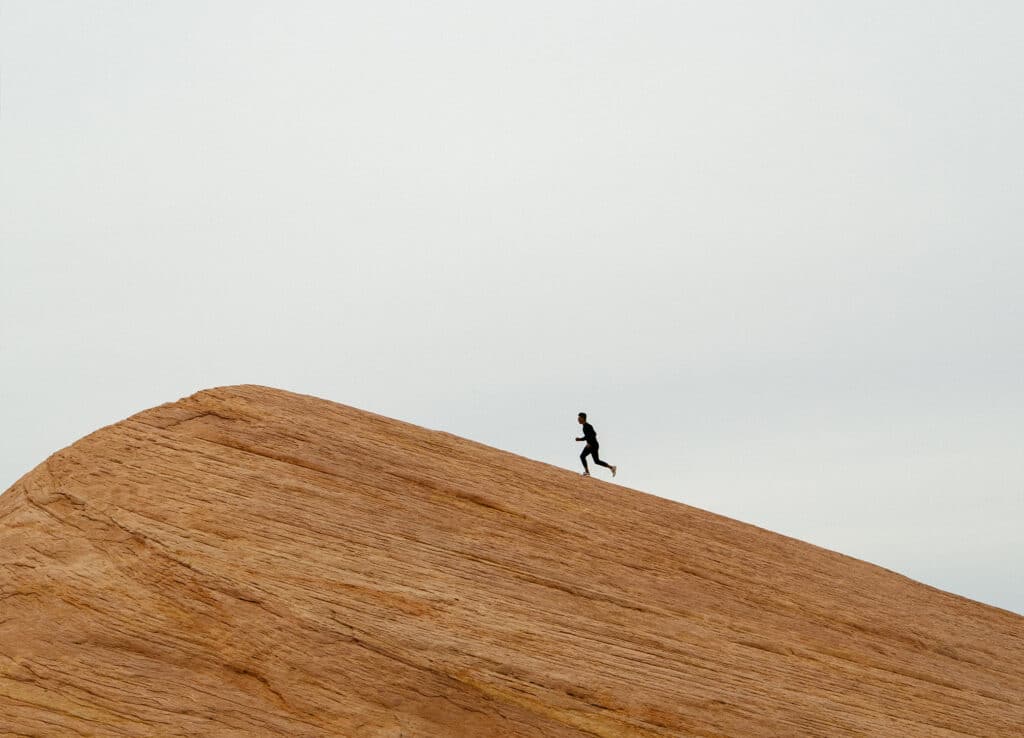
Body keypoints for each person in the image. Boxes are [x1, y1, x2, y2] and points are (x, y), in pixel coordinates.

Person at [575, 412, 616, 478]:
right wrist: (581, 440)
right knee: (596, 461)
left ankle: (587, 472)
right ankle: (611, 467)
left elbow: (594, 434)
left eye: (579, 418)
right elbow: (588, 436)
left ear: (583, 418)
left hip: (593, 445)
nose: (578, 419)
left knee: (582, 456)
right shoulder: (585, 426)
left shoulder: (587, 426)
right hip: (593, 444)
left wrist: (589, 443)